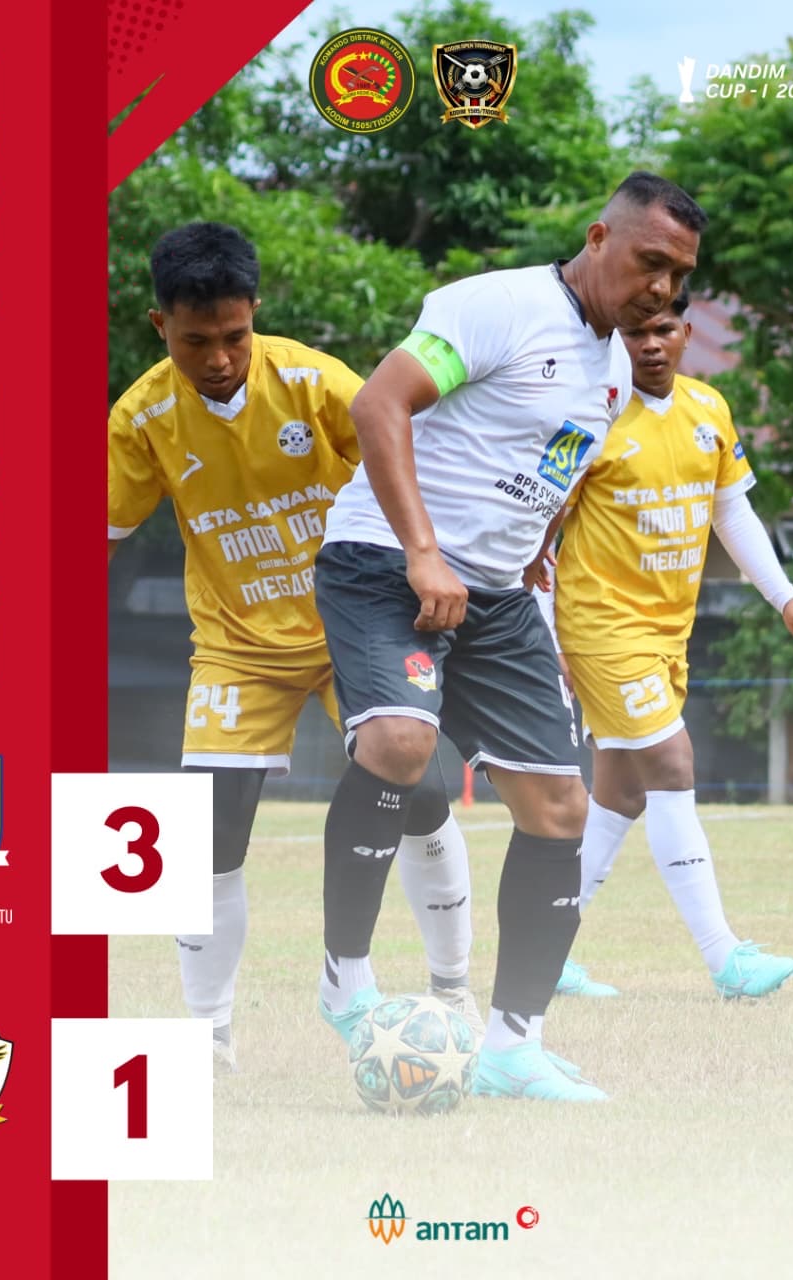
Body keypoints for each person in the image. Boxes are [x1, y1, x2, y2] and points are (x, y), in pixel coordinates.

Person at [313, 171, 708, 1103]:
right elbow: (378, 406)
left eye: (680, 274)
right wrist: (424, 553)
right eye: (650, 260)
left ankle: (511, 1048)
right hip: (385, 560)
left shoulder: (616, 373)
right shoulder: (499, 306)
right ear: (599, 237)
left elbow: (551, 467)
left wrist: (531, 556)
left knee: (561, 810)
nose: (661, 286)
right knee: (400, 742)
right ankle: (346, 980)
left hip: (494, 596)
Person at [107, 221, 480, 1074]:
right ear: (160, 325)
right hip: (237, 645)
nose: (219, 359)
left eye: (235, 337)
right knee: (208, 835)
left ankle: (453, 990)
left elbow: (406, 469)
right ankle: (209, 1036)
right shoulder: (142, 417)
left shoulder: (316, 383)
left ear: (255, 315)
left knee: (422, 792)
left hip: (353, 621)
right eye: (195, 341)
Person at [537, 284, 793, 1000]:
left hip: (669, 633)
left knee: (623, 791)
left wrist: (786, 598)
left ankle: (544, 951)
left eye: (662, 330)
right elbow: (536, 536)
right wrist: (549, 640)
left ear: (686, 334)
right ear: (615, 340)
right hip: (600, 627)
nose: (650, 344)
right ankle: (727, 960)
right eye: (634, 333)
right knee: (671, 762)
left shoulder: (709, 410)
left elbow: (733, 513)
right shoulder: (586, 416)